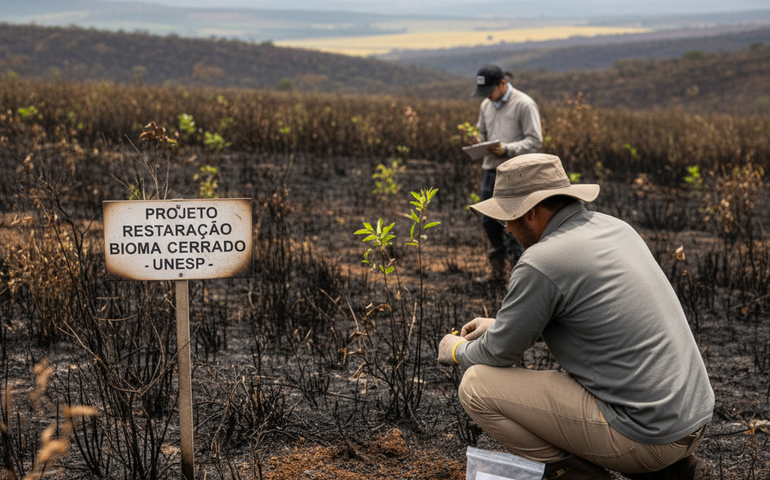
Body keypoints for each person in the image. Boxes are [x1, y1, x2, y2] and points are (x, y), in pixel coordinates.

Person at [438, 153, 715, 480]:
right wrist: (499, 326)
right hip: (690, 419)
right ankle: (672, 473)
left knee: (475, 386)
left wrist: (455, 350)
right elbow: (596, 319)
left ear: (530, 213)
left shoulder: (541, 260)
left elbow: (499, 354)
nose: (507, 229)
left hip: (647, 436)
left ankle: (586, 477)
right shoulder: (614, 229)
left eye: (506, 218)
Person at [470, 63, 542, 282]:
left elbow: (535, 141)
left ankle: (520, 278)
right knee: (489, 221)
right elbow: (482, 131)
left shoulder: (524, 104)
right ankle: (497, 272)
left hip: (516, 174)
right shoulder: (486, 104)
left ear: (502, 84)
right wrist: (478, 141)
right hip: (491, 171)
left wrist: (508, 149)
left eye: (490, 91)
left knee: (516, 224)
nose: (488, 97)